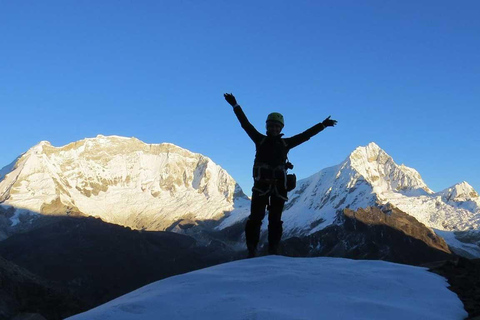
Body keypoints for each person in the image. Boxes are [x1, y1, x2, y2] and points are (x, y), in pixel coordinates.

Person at [224, 93, 338, 258]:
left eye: (277, 127)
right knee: (256, 219)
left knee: (275, 221)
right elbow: (245, 124)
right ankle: (252, 250)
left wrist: (322, 125)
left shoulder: (286, 143)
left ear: (281, 128)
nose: (274, 129)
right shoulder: (259, 139)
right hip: (262, 186)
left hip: (277, 187)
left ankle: (273, 250)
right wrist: (235, 105)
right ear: (267, 127)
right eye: (272, 126)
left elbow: (305, 135)